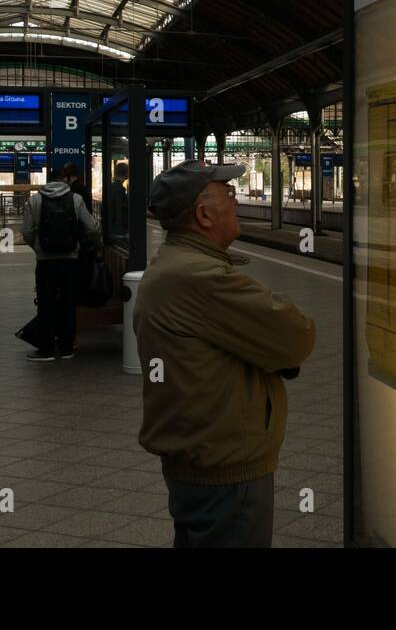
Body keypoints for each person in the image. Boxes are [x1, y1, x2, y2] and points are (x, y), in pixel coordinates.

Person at [135, 161, 315, 547]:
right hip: (227, 471)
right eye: (229, 196)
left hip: (203, 458)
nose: (235, 203)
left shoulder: (176, 267)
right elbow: (297, 335)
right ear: (203, 214)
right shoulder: (202, 278)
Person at [21, 171, 99, 361]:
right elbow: (92, 227)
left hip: (45, 261)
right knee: (68, 303)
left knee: (46, 303)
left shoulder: (35, 200)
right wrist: (80, 246)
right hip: (70, 260)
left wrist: (38, 248)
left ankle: (46, 350)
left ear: (48, 180)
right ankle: (66, 349)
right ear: (65, 180)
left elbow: (27, 231)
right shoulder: (76, 199)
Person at [108, 160, 129, 239]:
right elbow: (119, 210)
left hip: (112, 226)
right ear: (125, 173)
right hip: (118, 230)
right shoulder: (119, 189)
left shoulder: (111, 186)